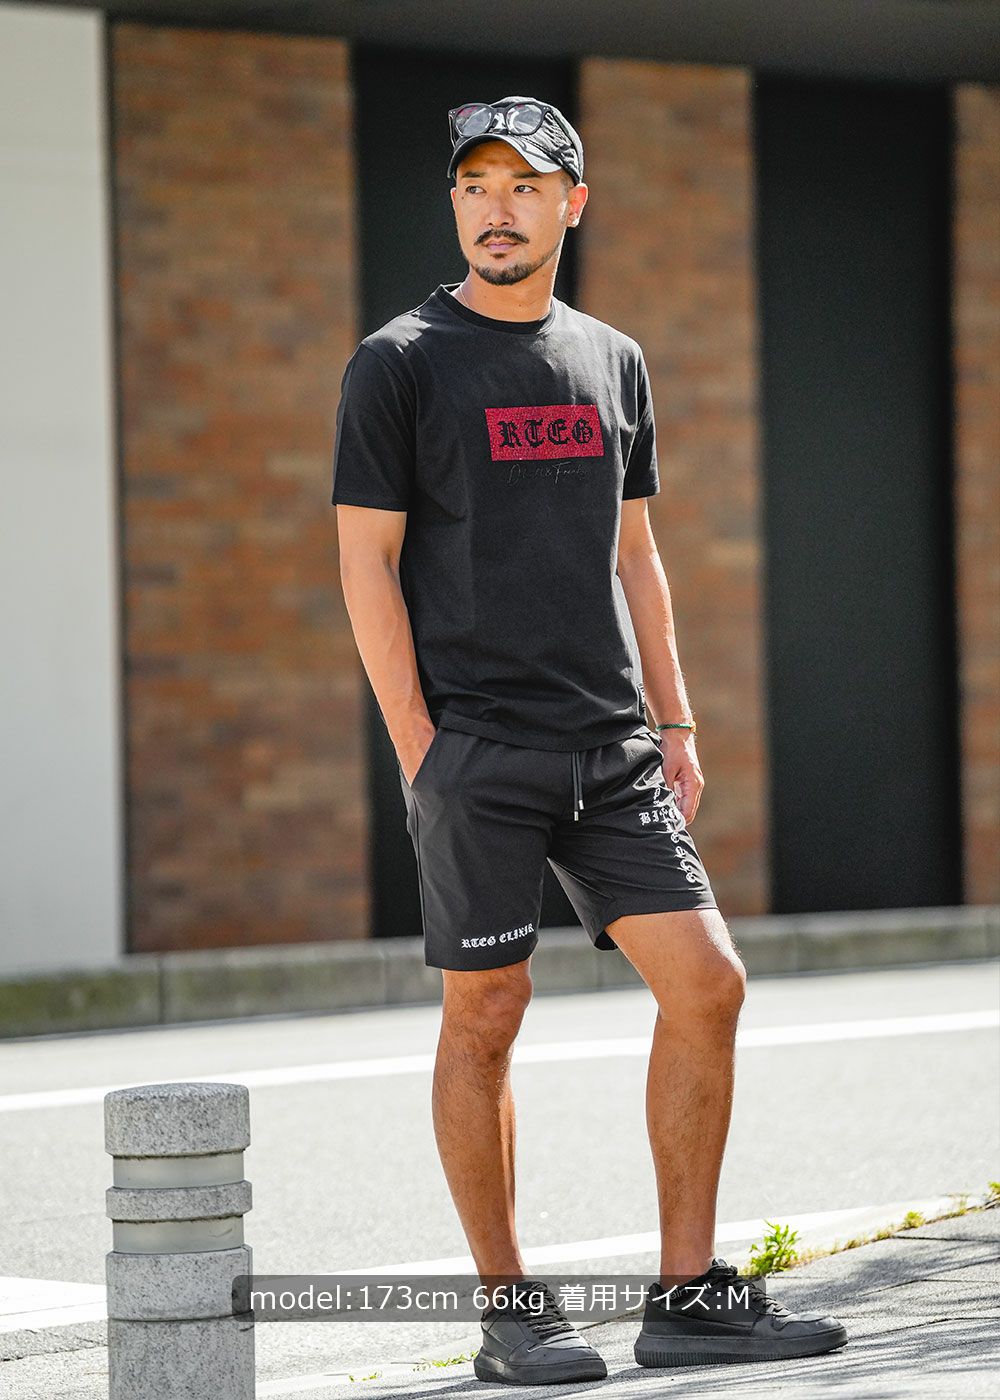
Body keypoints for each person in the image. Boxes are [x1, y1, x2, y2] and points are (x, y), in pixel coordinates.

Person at [331, 94, 848, 1381]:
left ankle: (685, 1294)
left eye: (523, 185)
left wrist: (673, 715)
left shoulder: (612, 360)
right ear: (455, 203)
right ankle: (510, 1311)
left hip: (610, 746)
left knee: (708, 984)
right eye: (474, 185)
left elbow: (637, 553)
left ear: (573, 202)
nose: (495, 209)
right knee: (487, 1013)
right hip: (476, 747)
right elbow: (365, 563)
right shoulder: (398, 361)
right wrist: (419, 746)